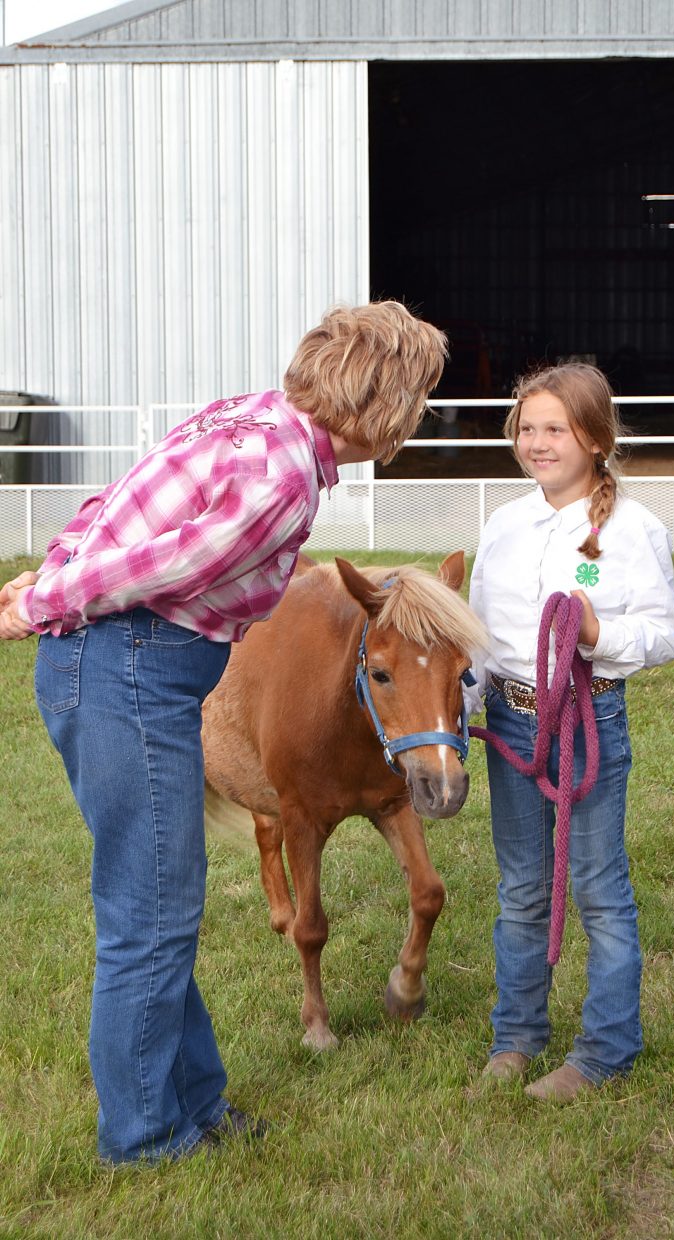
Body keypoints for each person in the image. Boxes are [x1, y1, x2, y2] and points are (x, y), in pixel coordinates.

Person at [0, 302, 448, 1163]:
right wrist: (43, 600)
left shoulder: (253, 420)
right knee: (148, 916)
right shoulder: (283, 476)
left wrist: (56, 565)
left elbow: (122, 500)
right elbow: (161, 561)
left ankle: (194, 1103)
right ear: (389, 404)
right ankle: (142, 1136)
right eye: (418, 396)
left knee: (163, 907)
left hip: (129, 669)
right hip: (129, 670)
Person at [466, 361, 674, 1101]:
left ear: (594, 437)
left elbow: (661, 636)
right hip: (510, 719)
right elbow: (479, 637)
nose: (537, 442)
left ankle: (606, 1049)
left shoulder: (631, 528)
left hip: (587, 721)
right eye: (526, 428)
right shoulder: (502, 524)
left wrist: (597, 630)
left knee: (595, 887)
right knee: (521, 887)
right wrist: (461, 703)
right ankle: (516, 1036)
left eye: (554, 428)